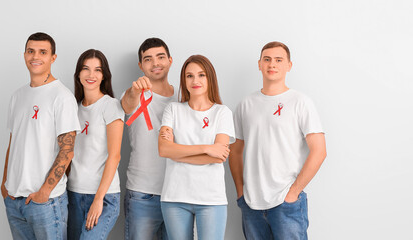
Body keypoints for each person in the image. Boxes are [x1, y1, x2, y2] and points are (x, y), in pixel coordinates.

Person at [230, 41, 327, 240]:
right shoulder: (245, 104)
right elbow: (235, 150)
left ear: (289, 65)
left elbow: (319, 151)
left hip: (286, 204)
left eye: (278, 60)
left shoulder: (301, 102)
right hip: (251, 204)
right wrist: (240, 192)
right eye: (267, 59)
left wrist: (293, 193)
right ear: (259, 64)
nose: (272, 64)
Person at [0, 32, 80, 240]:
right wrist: (5, 183)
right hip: (14, 198)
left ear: (53, 57)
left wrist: (45, 191)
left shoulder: (61, 96)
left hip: (46, 202)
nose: (35, 56)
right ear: (24, 54)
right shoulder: (17, 96)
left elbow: (67, 150)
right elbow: (13, 142)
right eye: (31, 51)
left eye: (43, 52)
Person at [158, 55, 235, 240]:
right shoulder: (173, 109)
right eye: (189, 76)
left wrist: (178, 152)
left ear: (210, 78)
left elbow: (219, 156)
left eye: (201, 75)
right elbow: (164, 150)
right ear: (184, 80)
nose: (195, 81)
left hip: (211, 199)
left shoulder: (222, 112)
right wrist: (207, 148)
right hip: (174, 197)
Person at [121, 37, 176, 240]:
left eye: (160, 57)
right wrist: (135, 90)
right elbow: (127, 105)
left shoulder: (183, 98)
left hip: (177, 194)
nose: (155, 63)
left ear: (170, 60)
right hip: (141, 194)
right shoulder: (135, 94)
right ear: (140, 65)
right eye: (148, 59)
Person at [66, 49, 124, 239]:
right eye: (86, 69)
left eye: (97, 70)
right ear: (78, 74)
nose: (91, 75)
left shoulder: (110, 105)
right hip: (73, 193)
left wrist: (98, 199)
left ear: (104, 75)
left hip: (104, 196)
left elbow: (115, 156)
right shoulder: (73, 108)